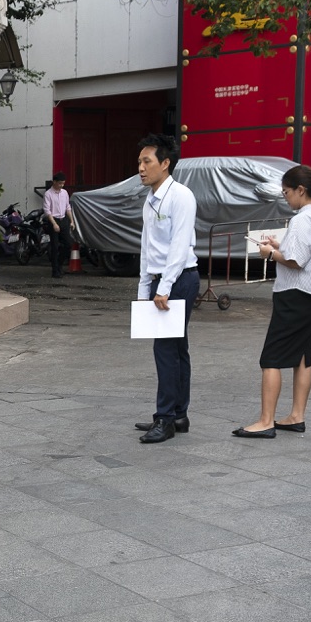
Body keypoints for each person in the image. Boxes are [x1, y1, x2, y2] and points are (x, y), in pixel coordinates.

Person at [232, 165, 311, 439]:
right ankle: (296, 416)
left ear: (301, 190)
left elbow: (295, 260)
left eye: (287, 192)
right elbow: (308, 254)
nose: (286, 198)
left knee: (271, 357)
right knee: (302, 357)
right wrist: (281, 246)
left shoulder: (302, 219)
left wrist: (269, 253)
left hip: (294, 295)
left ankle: (266, 421)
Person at [132, 133, 200, 443]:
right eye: (140, 162)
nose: (141, 168)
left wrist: (165, 288)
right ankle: (179, 414)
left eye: (147, 161)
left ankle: (165, 418)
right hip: (162, 281)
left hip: (180, 278)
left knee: (165, 349)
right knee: (176, 348)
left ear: (166, 163)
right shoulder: (151, 199)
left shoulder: (180, 196)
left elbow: (178, 245)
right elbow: (148, 249)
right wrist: (144, 289)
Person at [43, 172, 75, 278]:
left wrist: (71, 221)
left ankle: (59, 265)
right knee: (55, 246)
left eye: (63, 183)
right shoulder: (48, 194)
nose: (61, 185)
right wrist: (54, 224)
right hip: (54, 220)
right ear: (54, 182)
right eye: (60, 183)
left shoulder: (64, 193)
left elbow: (68, 207)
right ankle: (55, 270)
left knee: (68, 244)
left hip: (63, 219)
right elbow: (47, 211)